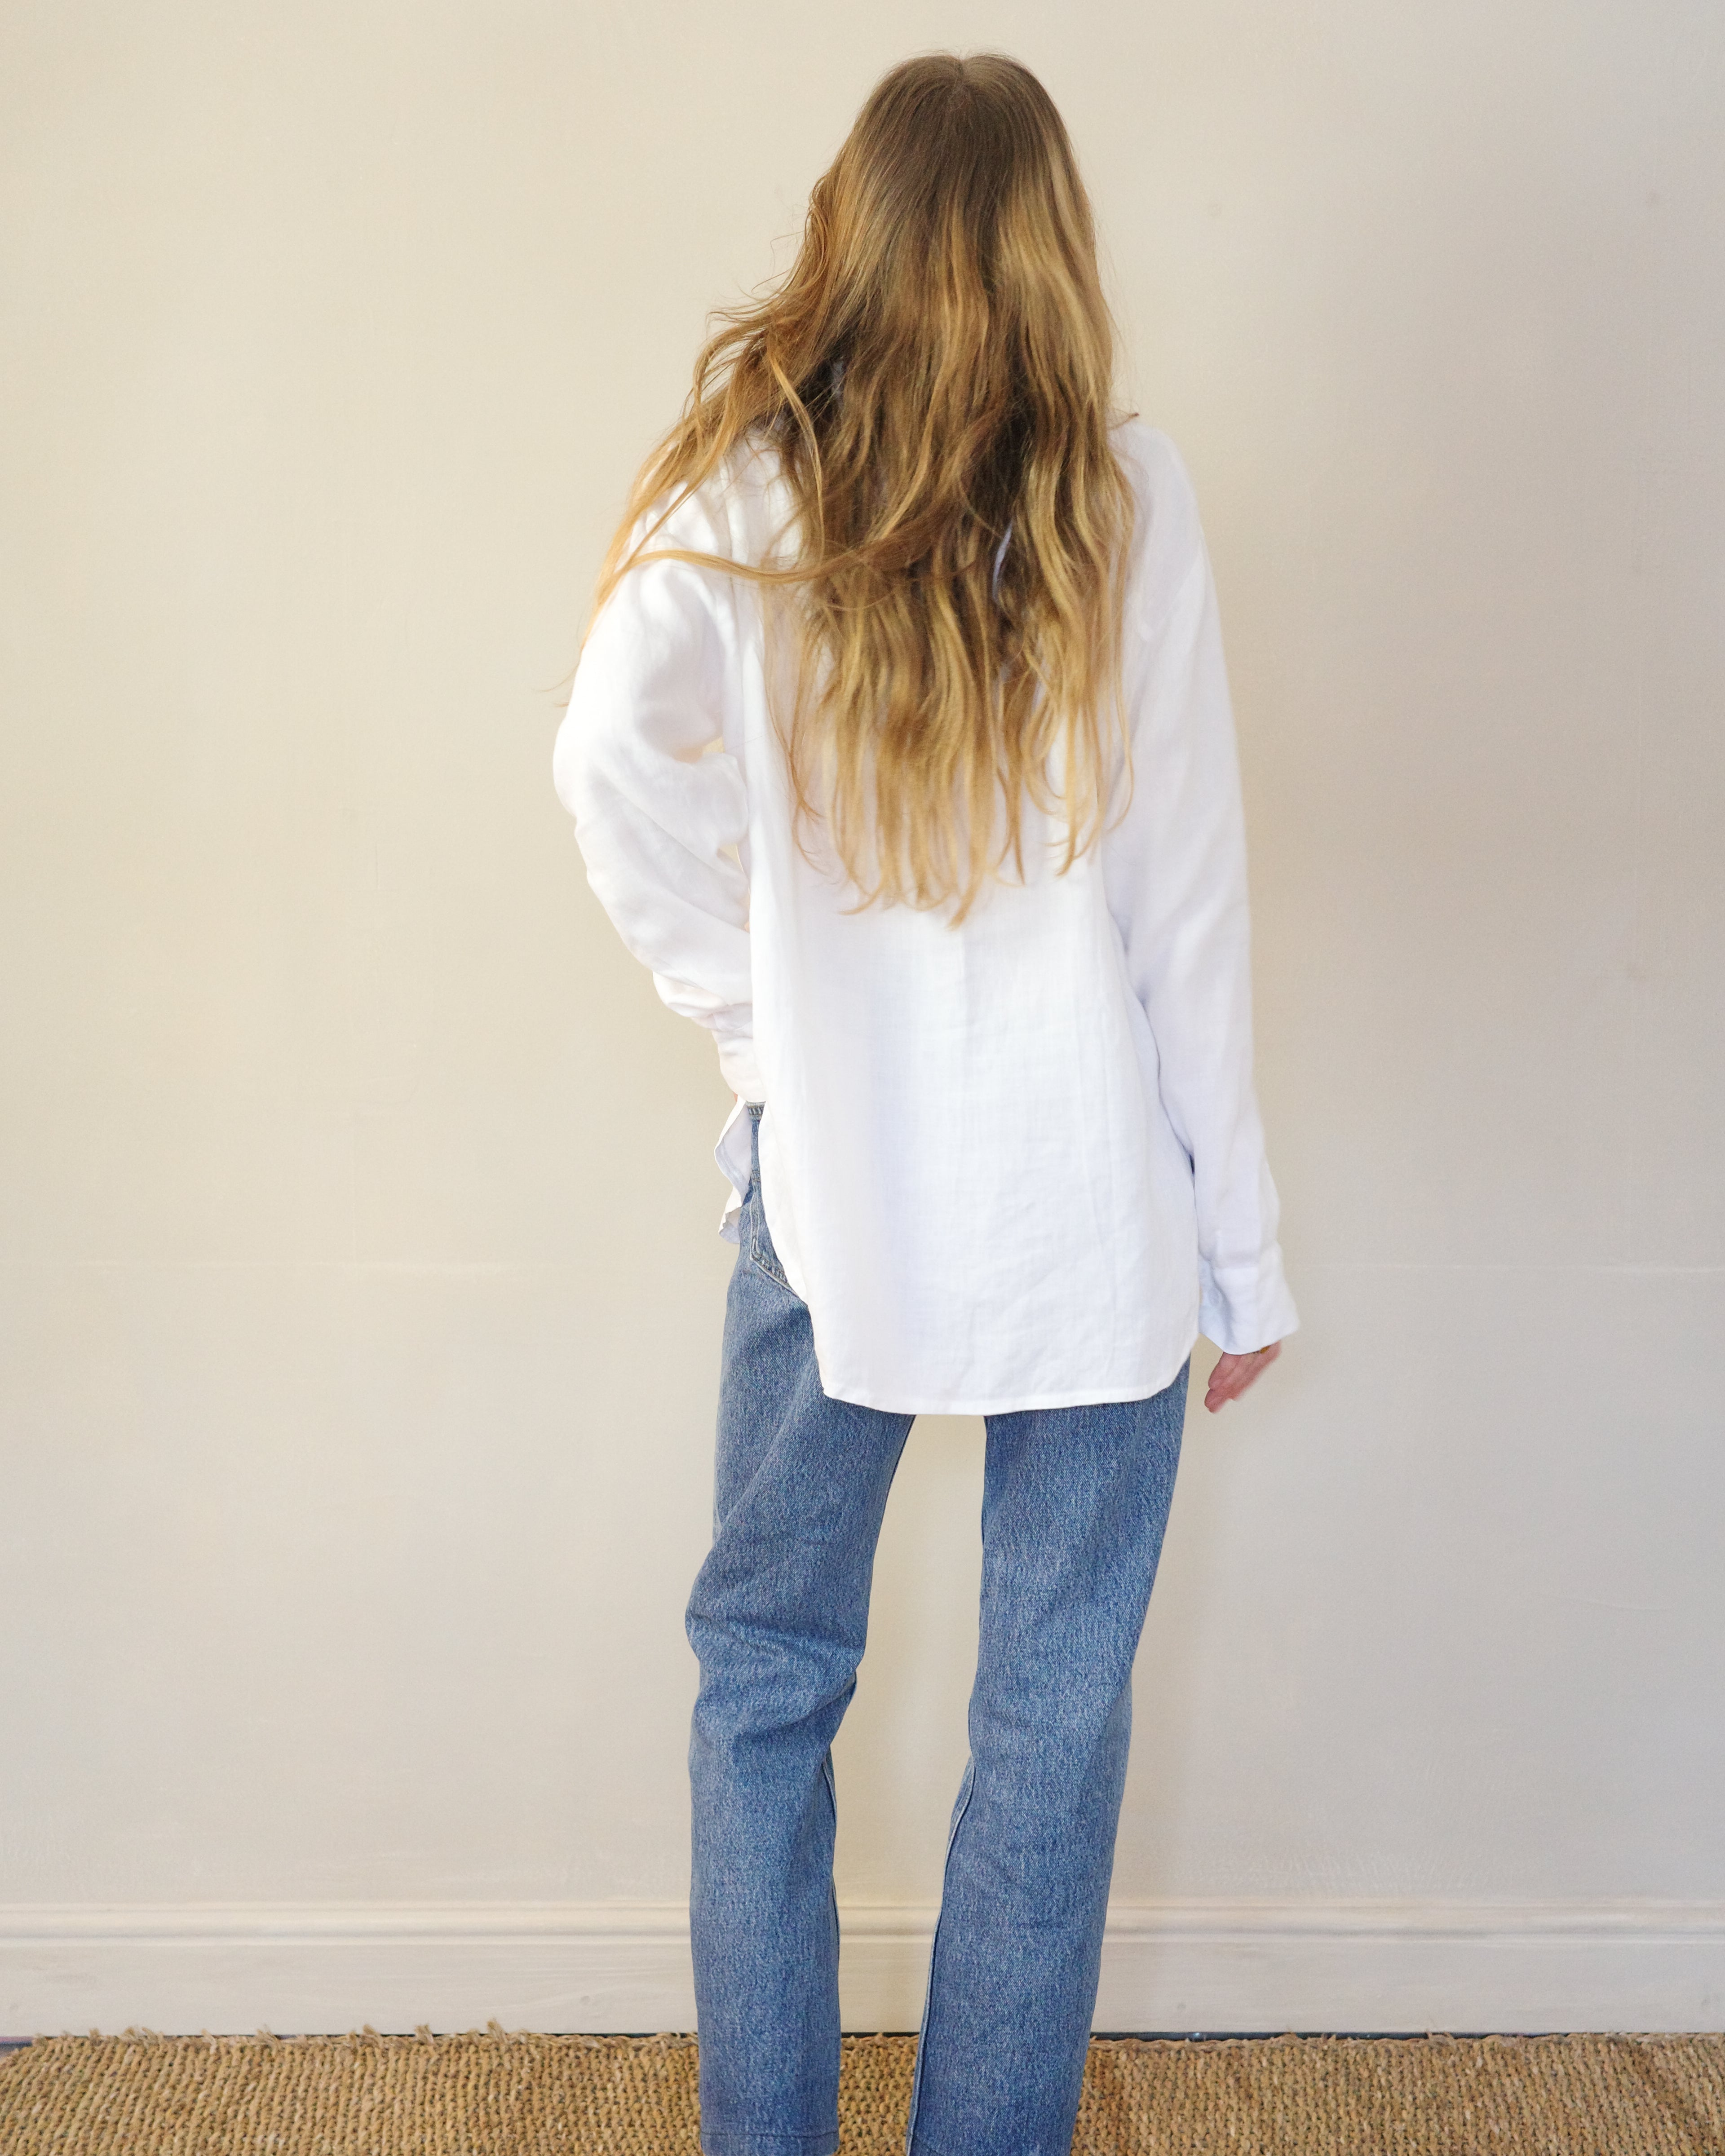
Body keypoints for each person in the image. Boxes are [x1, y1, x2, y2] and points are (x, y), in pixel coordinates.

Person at [553, 50, 1298, 2156]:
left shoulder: (750, 495)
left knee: (765, 1678)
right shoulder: (1124, 502)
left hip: (831, 1205)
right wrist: (1243, 1255)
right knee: (1051, 1718)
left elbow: (602, 763)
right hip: (1094, 1204)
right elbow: (1189, 910)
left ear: (849, 230)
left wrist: (763, 1036)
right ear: (1055, 248)